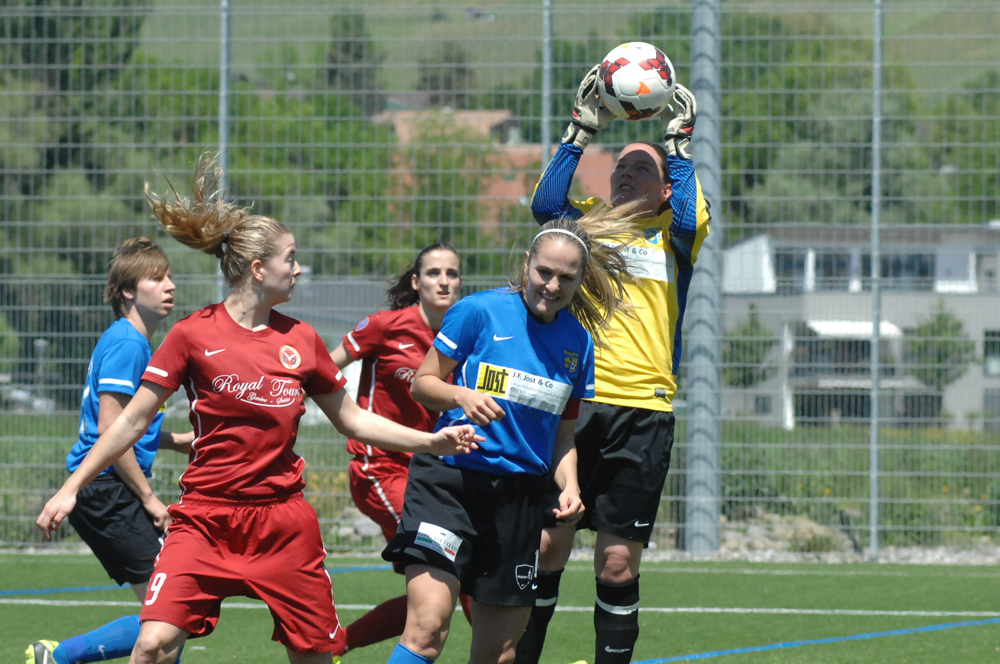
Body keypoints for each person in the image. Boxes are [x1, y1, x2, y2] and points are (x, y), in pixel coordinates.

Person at [35, 155, 482, 664]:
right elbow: (131, 421)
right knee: (154, 644)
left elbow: (351, 419)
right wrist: (71, 488)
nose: (297, 268)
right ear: (257, 269)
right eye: (290, 258)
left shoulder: (302, 339)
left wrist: (429, 441)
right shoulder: (191, 335)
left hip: (282, 525)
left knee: (314, 654)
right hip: (205, 518)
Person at [381, 208, 640, 664]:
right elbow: (423, 383)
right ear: (526, 264)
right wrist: (461, 395)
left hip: (518, 498)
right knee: (427, 627)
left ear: (581, 280)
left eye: (566, 278)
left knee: (499, 652)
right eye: (544, 272)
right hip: (450, 483)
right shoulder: (478, 311)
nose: (552, 286)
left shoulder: (577, 343)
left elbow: (563, 437)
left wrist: (572, 487)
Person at [513, 68, 711, 664]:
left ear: (664, 188)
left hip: (644, 412)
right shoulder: (587, 228)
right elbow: (545, 205)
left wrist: (676, 146)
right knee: (548, 543)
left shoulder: (676, 233)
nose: (625, 174)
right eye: (619, 166)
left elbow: (691, 213)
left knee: (617, 562)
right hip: (577, 408)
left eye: (640, 169)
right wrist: (580, 131)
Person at [27, 238, 194, 664]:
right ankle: (60, 656)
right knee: (171, 615)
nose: (170, 286)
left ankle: (59, 657)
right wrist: (150, 498)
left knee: (170, 616)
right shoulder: (129, 344)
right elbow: (111, 430)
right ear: (128, 291)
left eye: (170, 276)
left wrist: (178, 443)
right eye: (157, 278)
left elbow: (130, 428)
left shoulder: (130, 340)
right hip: (109, 490)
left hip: (107, 487)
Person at [327, 243, 474, 654]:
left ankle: (334, 647)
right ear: (416, 281)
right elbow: (319, 368)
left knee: (437, 588)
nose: (443, 281)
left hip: (428, 473)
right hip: (380, 470)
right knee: (451, 567)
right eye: (433, 273)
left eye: (452, 273)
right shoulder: (385, 326)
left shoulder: (461, 334)